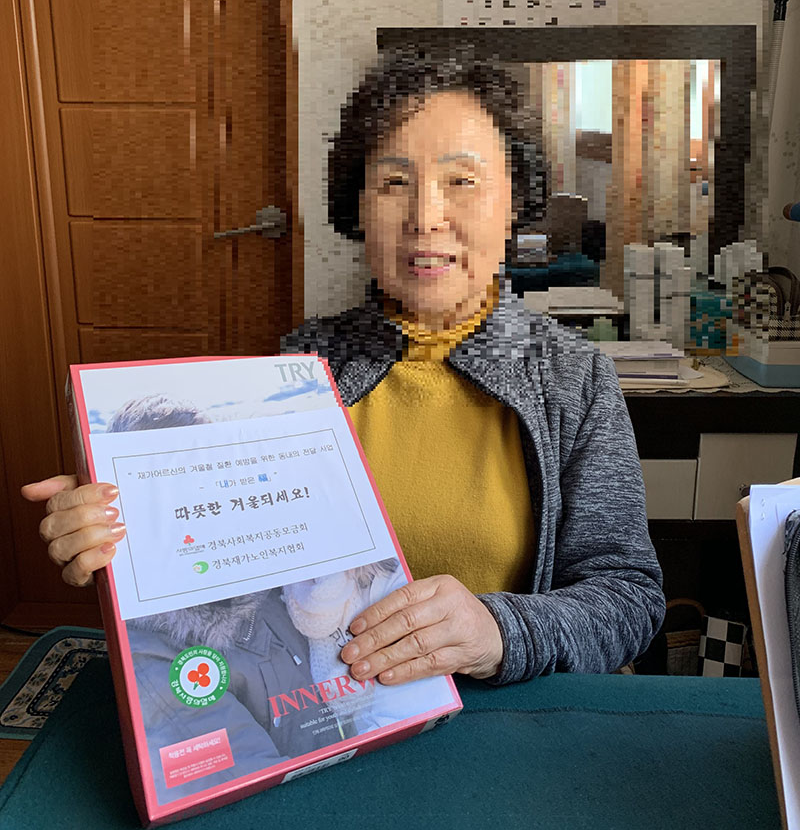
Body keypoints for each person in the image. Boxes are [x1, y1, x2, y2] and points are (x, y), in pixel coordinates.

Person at [23, 46, 665, 689]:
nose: (426, 217)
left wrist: (499, 632)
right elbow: (241, 567)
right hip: (330, 713)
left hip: (505, 715)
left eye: (462, 181)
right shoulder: (299, 368)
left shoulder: (572, 379)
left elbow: (627, 597)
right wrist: (131, 528)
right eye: (394, 183)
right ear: (357, 207)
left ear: (514, 203)